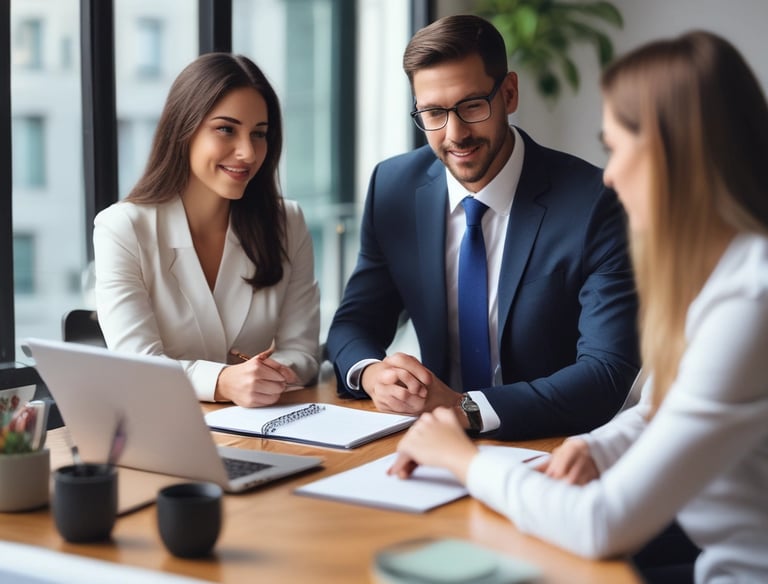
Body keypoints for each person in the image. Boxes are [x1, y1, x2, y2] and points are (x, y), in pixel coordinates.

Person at [389, 30, 768, 583]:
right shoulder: (725, 274)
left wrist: (464, 461)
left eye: (617, 147)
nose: (609, 173)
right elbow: (664, 408)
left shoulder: (749, 304)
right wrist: (595, 448)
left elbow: (600, 525)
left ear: (674, 154)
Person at [326, 14, 639, 440]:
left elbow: (607, 371)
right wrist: (371, 374)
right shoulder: (393, 187)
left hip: (552, 444)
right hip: (431, 442)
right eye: (433, 112)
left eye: (472, 105)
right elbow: (354, 323)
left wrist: (464, 408)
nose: (455, 134)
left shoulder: (594, 203)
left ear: (509, 93)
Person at [93, 53, 320, 407]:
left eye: (259, 134)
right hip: (162, 432)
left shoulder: (287, 222)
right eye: (226, 129)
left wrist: (264, 378)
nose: (247, 152)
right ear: (183, 130)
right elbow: (136, 365)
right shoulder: (121, 229)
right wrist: (224, 382)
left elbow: (302, 353)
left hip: (261, 429)